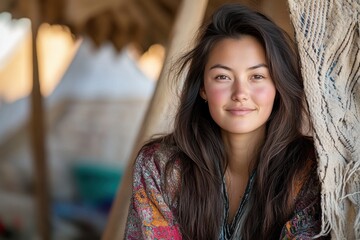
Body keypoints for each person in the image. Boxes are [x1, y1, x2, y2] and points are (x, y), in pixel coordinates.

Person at [124, 3, 328, 240]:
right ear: (202, 87)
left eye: (257, 77)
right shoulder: (161, 167)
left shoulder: (310, 170)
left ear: (278, 86)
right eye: (222, 76)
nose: (240, 93)